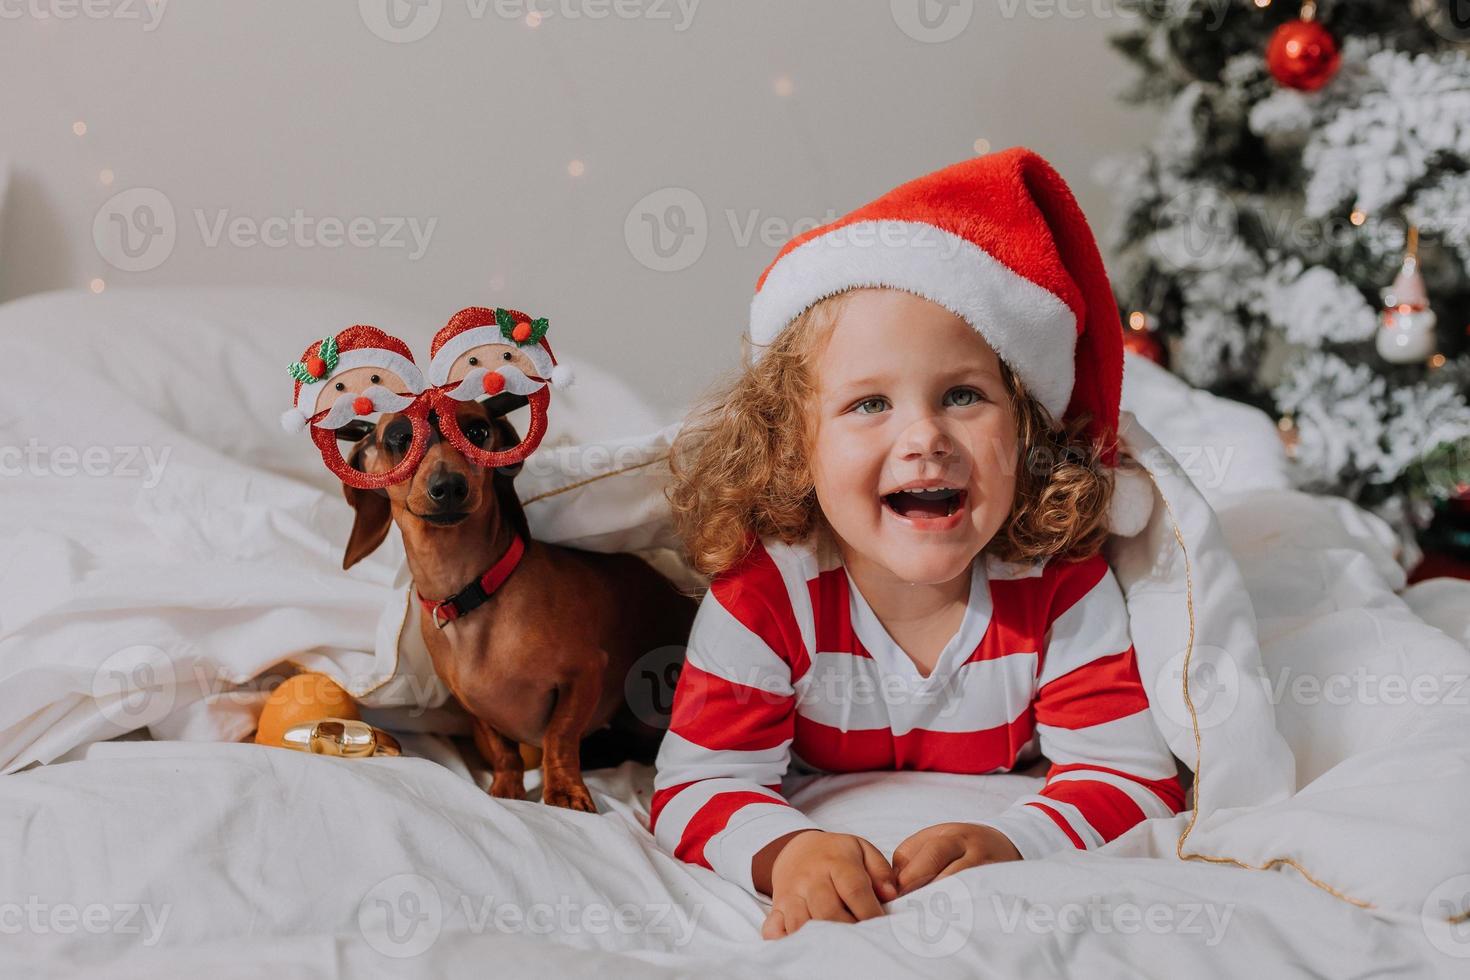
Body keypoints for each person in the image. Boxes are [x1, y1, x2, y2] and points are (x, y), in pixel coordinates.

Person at [650, 147, 1182, 940]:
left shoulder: (1056, 583)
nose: (925, 437)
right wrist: (787, 851)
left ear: (1025, 427)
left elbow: (1131, 776)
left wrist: (1014, 838)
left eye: (963, 394)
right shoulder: (769, 592)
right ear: (794, 445)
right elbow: (699, 781)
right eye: (869, 404)